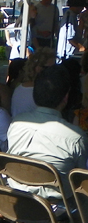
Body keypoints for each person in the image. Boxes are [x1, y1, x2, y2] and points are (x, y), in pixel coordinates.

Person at [7, 64, 88, 200]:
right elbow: (82, 179)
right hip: (59, 206)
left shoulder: (16, 123)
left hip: (16, 199)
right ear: (66, 97)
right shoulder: (76, 137)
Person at [10, 47, 55, 118]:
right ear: (38, 69)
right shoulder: (40, 93)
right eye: (52, 68)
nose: (55, 72)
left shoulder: (19, 88)